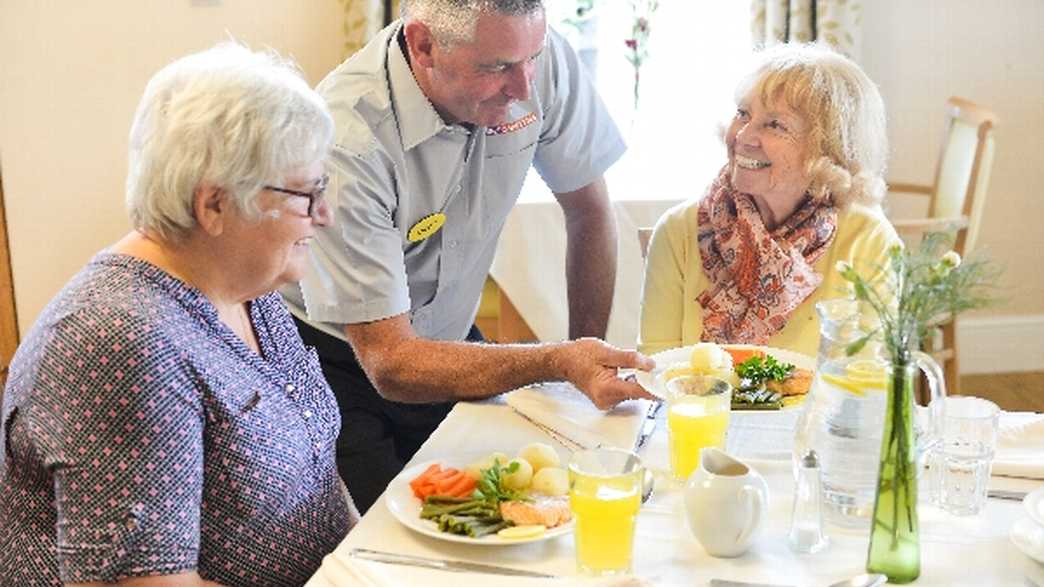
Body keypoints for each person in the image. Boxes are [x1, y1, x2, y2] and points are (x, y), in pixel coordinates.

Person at [0, 44, 356, 585]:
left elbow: (317, 472)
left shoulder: (246, 285)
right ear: (214, 205)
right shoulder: (118, 341)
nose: (324, 215)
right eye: (305, 194)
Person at [280, 0, 653, 512]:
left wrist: (580, 365)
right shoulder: (349, 141)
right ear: (424, 45)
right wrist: (558, 361)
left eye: (531, 60)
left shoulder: (532, 57)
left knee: (508, 510)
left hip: (448, 338)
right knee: (400, 542)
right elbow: (390, 362)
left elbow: (589, 212)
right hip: (338, 359)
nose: (524, 88)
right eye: (496, 67)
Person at [639, 43, 902, 358]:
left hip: (820, 410)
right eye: (743, 114)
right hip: (700, 408)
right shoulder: (679, 230)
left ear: (828, 149)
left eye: (775, 125)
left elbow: (869, 384)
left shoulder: (867, 240)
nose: (743, 136)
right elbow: (655, 370)